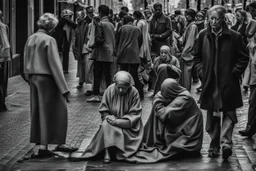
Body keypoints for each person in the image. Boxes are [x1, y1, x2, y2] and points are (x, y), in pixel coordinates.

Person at [194, 5, 249, 160]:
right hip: (211, 82)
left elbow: (243, 57)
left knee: (229, 113)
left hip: (228, 82)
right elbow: (196, 57)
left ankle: (226, 144)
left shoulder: (234, 36)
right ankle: (214, 144)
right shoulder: (203, 35)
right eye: (210, 18)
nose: (213, 21)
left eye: (216, 18)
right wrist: (201, 73)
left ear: (223, 18)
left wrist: (234, 73)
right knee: (213, 114)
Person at [23, 13, 77, 158]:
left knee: (39, 112)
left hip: (34, 78)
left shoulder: (31, 38)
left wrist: (29, 78)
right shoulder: (49, 40)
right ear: (51, 27)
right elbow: (55, 65)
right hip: (47, 79)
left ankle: (43, 145)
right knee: (59, 110)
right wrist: (64, 89)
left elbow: (25, 60)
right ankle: (57, 143)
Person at [70, 71, 144, 164]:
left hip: (128, 127)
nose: (120, 90)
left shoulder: (134, 92)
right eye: (118, 87)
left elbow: (134, 114)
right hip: (111, 122)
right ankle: (107, 153)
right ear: (115, 84)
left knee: (109, 126)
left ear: (129, 86)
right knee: (106, 125)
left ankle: (118, 152)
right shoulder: (109, 90)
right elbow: (104, 111)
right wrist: (109, 118)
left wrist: (118, 122)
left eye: (123, 88)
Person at [124, 78, 203, 163]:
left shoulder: (185, 97)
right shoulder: (171, 93)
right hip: (177, 124)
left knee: (161, 118)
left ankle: (164, 142)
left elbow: (164, 114)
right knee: (158, 116)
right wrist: (160, 100)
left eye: (166, 94)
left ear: (172, 90)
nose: (164, 96)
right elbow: (159, 98)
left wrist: (159, 102)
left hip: (189, 130)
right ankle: (160, 140)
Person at [87, 5, 115, 102]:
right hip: (110, 52)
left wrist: (92, 45)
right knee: (108, 75)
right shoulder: (111, 24)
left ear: (101, 13)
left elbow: (99, 39)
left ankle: (96, 95)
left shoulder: (100, 24)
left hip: (101, 52)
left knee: (97, 73)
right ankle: (110, 95)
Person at [116, 15, 144, 99]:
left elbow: (117, 41)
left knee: (122, 75)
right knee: (134, 75)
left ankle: (123, 93)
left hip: (123, 54)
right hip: (134, 55)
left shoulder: (122, 28)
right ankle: (140, 94)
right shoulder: (137, 29)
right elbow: (140, 42)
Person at [239, 4, 256, 138]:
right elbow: (248, 33)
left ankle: (251, 127)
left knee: (253, 101)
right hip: (253, 71)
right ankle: (250, 127)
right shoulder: (252, 23)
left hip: (254, 68)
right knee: (252, 101)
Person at [52, 9, 77, 74]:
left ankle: (64, 69)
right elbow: (74, 25)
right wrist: (66, 18)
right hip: (62, 41)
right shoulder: (62, 21)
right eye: (69, 16)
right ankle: (61, 69)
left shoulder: (66, 22)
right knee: (61, 55)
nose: (70, 18)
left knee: (65, 55)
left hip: (65, 40)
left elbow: (74, 26)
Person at [73, 9, 92, 89]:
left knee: (87, 65)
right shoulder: (79, 24)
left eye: (79, 16)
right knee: (81, 65)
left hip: (84, 48)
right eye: (77, 16)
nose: (78, 17)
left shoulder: (85, 24)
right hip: (80, 48)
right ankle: (81, 81)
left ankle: (89, 82)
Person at [180, 9, 198, 92]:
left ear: (190, 16)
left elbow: (190, 42)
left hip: (188, 54)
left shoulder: (193, 26)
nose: (185, 16)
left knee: (186, 75)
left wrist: (184, 52)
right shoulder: (190, 25)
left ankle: (186, 91)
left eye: (186, 15)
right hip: (187, 52)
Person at [0, 10, 11, 112]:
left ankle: (1, 104)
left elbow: (3, 43)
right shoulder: (4, 26)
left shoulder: (3, 27)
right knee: (2, 81)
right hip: (5, 56)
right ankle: (2, 104)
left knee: (1, 81)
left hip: (1, 57)